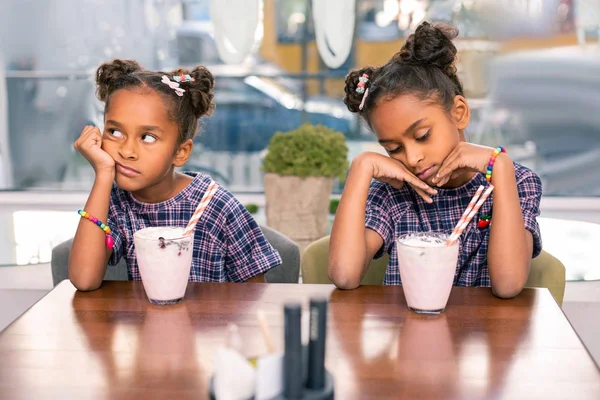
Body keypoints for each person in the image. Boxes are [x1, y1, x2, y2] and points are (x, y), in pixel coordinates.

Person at [328, 22, 542, 298]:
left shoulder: (517, 181)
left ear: (459, 113)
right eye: (394, 149)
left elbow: (508, 285)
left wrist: (499, 167)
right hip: (407, 335)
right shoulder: (394, 194)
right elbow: (344, 275)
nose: (413, 158)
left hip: (484, 337)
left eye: (422, 135)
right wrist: (361, 168)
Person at [69, 59, 281, 291]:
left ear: (180, 153)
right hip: (149, 326)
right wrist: (103, 174)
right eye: (115, 131)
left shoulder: (218, 207)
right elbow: (84, 279)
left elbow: (257, 297)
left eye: (147, 137)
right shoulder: (117, 203)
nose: (127, 151)